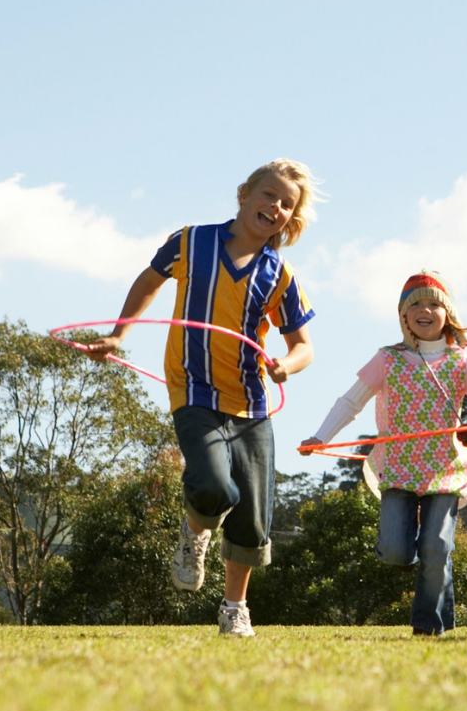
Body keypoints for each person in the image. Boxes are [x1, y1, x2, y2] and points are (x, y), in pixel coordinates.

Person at [88, 159, 318, 638]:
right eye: (268, 194)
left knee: (254, 518)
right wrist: (117, 336)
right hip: (193, 386)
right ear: (244, 194)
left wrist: (284, 366)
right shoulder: (192, 242)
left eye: (285, 204)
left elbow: (303, 348)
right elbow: (149, 281)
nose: (274, 207)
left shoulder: (280, 275)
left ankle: (235, 607)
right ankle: (195, 531)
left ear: (290, 219)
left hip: (252, 402)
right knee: (215, 487)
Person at [301, 272, 467, 636]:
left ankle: (428, 627)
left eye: (433, 304)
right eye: (415, 305)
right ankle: (425, 562)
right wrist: (320, 436)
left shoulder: (461, 362)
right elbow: (351, 402)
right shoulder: (387, 359)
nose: (424, 310)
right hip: (397, 467)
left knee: (437, 546)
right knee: (397, 551)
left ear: (448, 314)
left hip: (446, 468)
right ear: (403, 316)